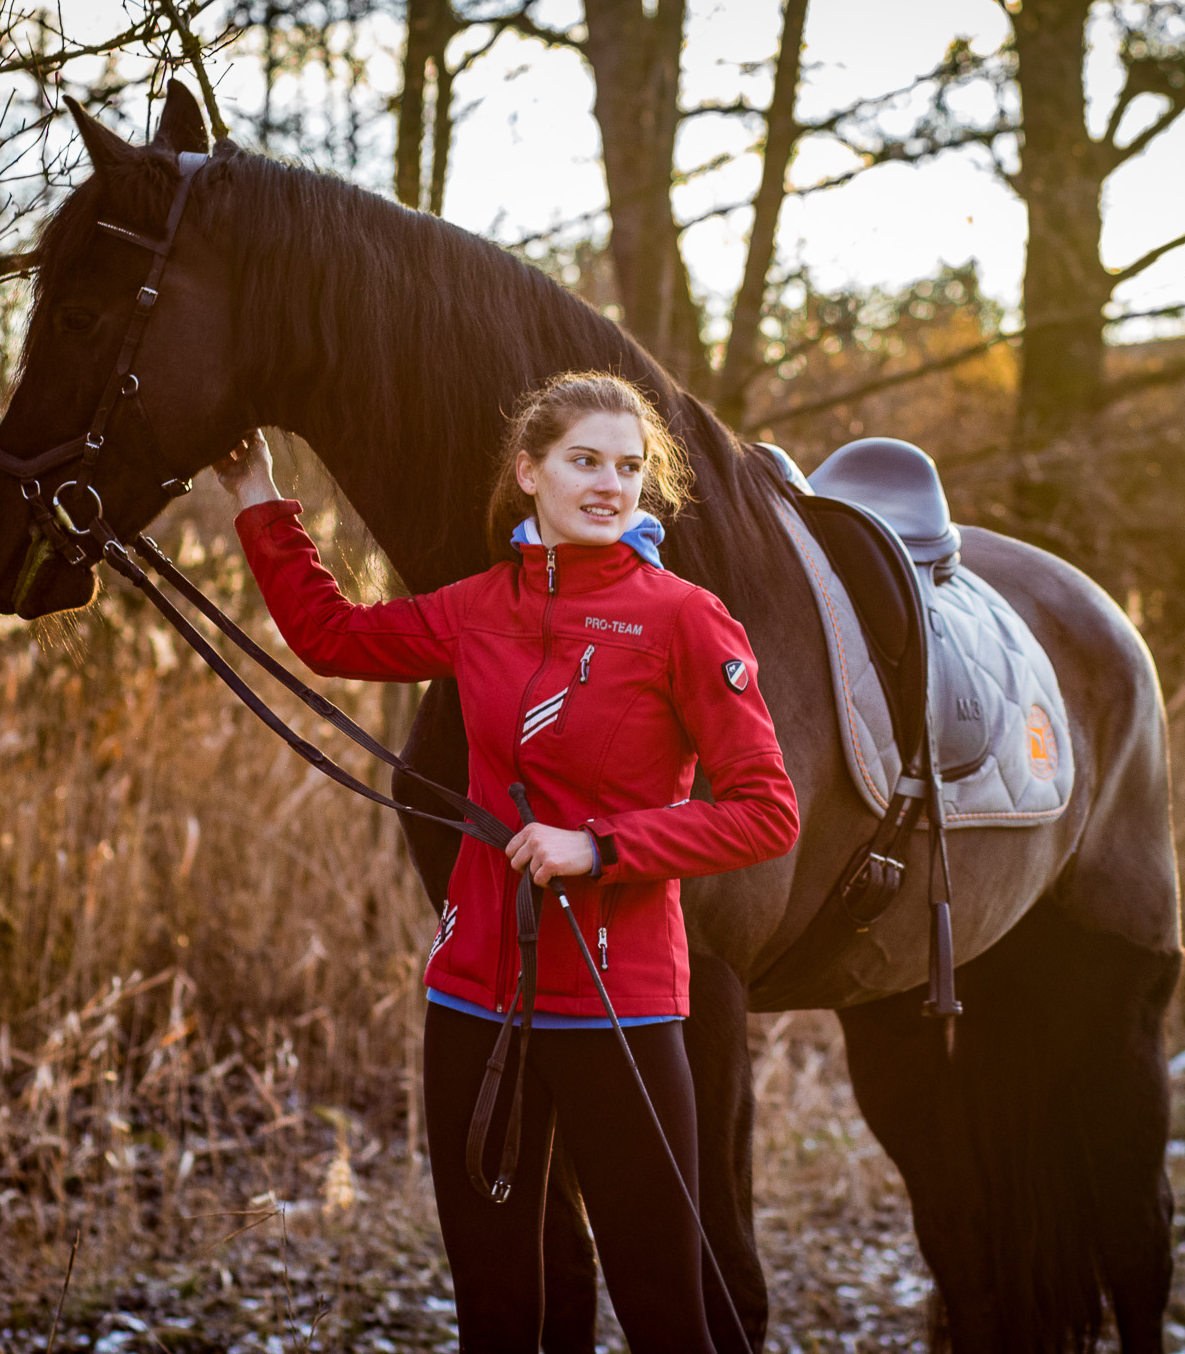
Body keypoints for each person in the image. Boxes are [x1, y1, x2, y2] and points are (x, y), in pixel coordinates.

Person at [215, 371, 798, 1353]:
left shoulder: (684, 619)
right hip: (472, 1003)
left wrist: (604, 845)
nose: (609, 485)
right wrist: (256, 499)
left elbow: (763, 813)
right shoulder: (480, 606)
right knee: (493, 1312)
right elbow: (330, 636)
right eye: (583, 462)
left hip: (620, 1009)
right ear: (528, 473)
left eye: (627, 467)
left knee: (665, 1311)